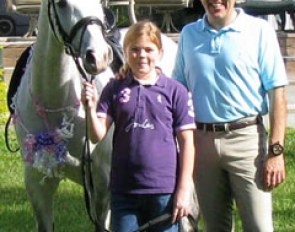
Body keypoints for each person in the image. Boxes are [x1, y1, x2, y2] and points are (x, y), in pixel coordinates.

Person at [172, 0, 288, 231]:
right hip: (202, 144)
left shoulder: (259, 31)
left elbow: (278, 94)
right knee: (215, 227)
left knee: (259, 227)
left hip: (247, 142)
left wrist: (276, 151)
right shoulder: (188, 34)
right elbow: (176, 90)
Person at [81, 20, 196, 232]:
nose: (142, 55)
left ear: (160, 53)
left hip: (164, 190)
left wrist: (183, 189)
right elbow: (97, 135)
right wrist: (89, 108)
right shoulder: (114, 88)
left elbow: (187, 143)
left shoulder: (175, 91)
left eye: (148, 50)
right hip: (124, 191)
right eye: (134, 50)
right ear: (125, 53)